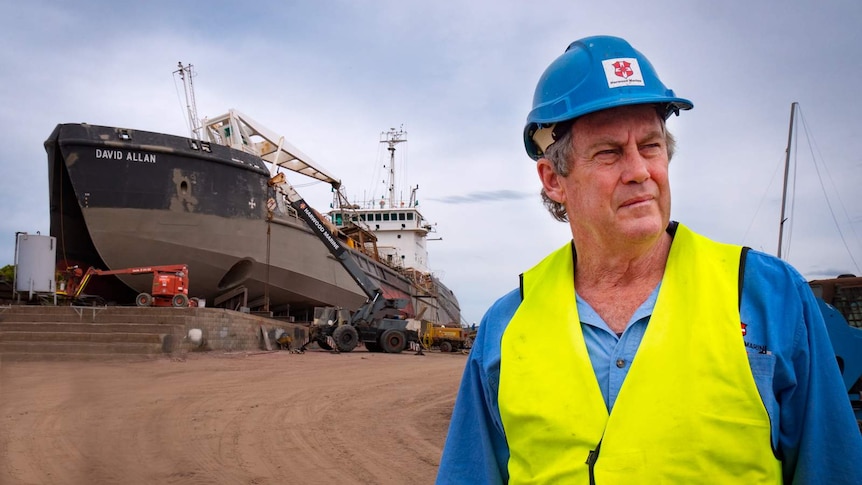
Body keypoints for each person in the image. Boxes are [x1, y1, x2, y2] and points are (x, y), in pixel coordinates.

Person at [436, 35, 862, 484]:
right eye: (609, 152)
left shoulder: (769, 298)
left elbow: (833, 468)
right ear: (554, 179)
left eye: (651, 145)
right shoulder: (508, 328)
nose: (640, 171)